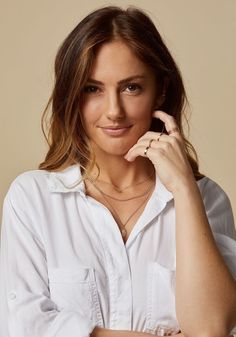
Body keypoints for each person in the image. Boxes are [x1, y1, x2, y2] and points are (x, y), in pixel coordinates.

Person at [0, 5, 236, 337]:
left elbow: (212, 329)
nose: (114, 111)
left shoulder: (206, 199)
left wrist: (184, 190)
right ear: (73, 96)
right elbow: (24, 327)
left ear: (161, 90)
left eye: (131, 87)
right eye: (92, 89)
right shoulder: (34, 200)